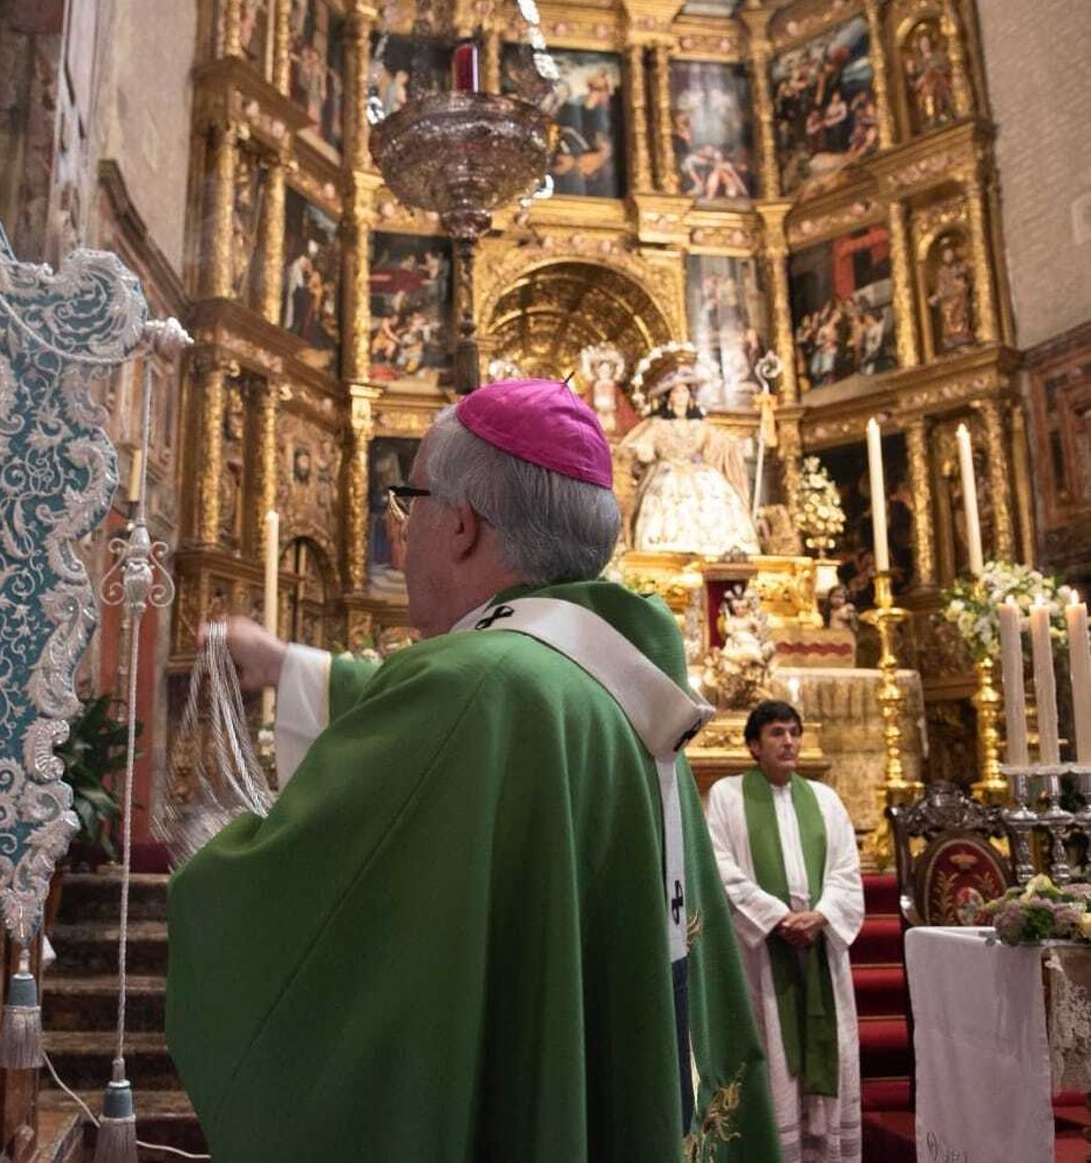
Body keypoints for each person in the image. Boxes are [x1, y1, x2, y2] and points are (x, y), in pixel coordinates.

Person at [165, 378, 781, 1161]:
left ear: (460, 525)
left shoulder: (478, 683)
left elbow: (301, 928)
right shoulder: (609, 675)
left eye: (409, 501)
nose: (400, 534)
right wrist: (288, 664)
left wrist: (210, 849)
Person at [706, 701, 864, 1162]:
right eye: (777, 733)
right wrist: (776, 917)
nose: (789, 741)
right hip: (761, 951)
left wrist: (821, 916)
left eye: (794, 732)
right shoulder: (727, 796)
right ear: (754, 745)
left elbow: (846, 870)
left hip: (819, 944)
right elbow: (720, 867)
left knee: (828, 1047)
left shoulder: (825, 799)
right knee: (772, 1046)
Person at [617, 368, 760, 556]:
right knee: (667, 489)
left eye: (684, 391)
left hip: (696, 470)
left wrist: (741, 444)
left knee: (711, 488)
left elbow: (721, 446)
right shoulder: (658, 424)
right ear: (669, 397)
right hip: (666, 469)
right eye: (676, 392)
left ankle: (717, 545)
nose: (681, 396)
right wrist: (643, 451)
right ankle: (665, 543)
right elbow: (641, 445)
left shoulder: (700, 426)